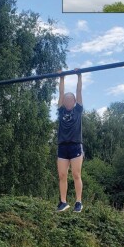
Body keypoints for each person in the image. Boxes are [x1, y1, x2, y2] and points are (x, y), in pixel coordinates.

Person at [56, 69, 84, 212]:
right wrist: (62, 78)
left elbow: (78, 91)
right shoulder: (61, 111)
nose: (67, 101)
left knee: (76, 174)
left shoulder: (78, 110)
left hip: (75, 145)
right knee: (62, 175)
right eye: (65, 99)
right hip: (62, 146)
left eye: (70, 99)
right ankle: (63, 202)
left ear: (74, 101)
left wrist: (79, 76)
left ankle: (78, 202)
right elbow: (61, 93)